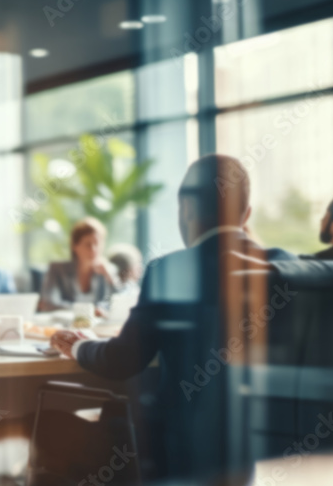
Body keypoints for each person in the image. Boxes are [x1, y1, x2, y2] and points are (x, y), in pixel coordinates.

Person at [50, 154, 295, 374]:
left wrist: (80, 345)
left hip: (189, 421)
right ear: (247, 215)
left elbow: (123, 360)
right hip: (278, 420)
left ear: (187, 209)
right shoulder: (289, 265)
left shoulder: (169, 271)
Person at [40, 217, 119, 312]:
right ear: (75, 246)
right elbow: (48, 303)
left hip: (98, 325)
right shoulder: (57, 269)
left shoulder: (108, 270)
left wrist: (109, 277)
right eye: (88, 244)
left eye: (97, 243)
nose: (93, 249)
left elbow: (119, 304)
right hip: (65, 324)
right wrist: (89, 311)